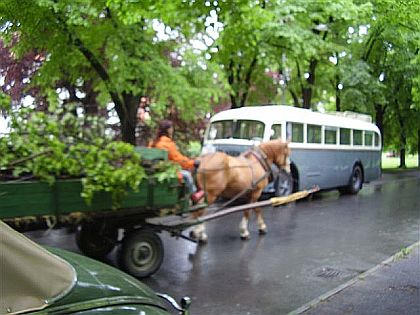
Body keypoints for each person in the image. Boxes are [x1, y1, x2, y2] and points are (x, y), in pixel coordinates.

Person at [149, 120, 203, 202]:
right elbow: (178, 160)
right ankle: (193, 195)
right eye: (171, 128)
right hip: (168, 171)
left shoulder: (153, 142)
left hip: (155, 171)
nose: (172, 130)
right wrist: (192, 163)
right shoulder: (167, 143)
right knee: (187, 175)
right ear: (168, 130)